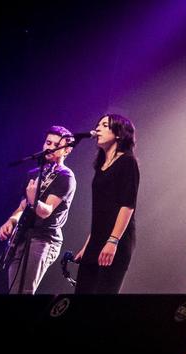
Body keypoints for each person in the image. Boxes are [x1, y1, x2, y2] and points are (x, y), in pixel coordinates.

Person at [0, 126, 76, 294]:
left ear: (67, 151)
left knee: (25, 292)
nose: (50, 147)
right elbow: (22, 206)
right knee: (13, 292)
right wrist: (12, 220)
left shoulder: (65, 176)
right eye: (48, 142)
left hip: (44, 238)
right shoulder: (33, 173)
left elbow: (45, 211)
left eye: (57, 145)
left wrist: (34, 200)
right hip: (23, 236)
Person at [73, 114, 140, 294]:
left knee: (102, 298)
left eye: (104, 125)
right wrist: (89, 244)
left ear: (118, 133)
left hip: (116, 239)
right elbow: (101, 211)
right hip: (97, 239)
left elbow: (127, 205)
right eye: (98, 125)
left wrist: (112, 241)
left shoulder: (127, 162)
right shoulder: (100, 165)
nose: (98, 129)